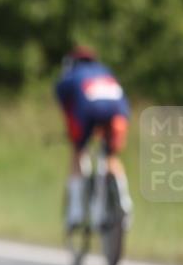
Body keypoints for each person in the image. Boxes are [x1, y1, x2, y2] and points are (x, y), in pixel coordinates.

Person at [55, 46, 132, 229]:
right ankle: (125, 202)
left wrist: (75, 137)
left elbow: (68, 108)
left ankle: (75, 212)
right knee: (111, 155)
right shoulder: (106, 72)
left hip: (89, 113)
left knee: (78, 152)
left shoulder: (71, 75)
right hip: (119, 113)